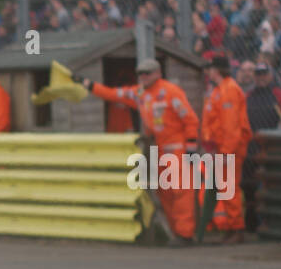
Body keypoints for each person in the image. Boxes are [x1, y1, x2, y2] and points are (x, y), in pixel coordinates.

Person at [82, 58, 199, 242]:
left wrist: (191, 148)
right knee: (164, 192)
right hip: (160, 150)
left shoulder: (171, 92)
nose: (143, 76)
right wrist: (88, 85)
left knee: (181, 192)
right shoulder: (139, 93)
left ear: (158, 73)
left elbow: (190, 120)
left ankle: (186, 234)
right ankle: (176, 232)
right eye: (140, 73)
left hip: (177, 149)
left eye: (147, 73)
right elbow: (113, 94)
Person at [201, 55, 252, 243]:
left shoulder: (229, 90)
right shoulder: (220, 90)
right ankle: (232, 227)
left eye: (211, 68)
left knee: (229, 188)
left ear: (217, 70)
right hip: (221, 148)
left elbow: (231, 127)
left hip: (228, 149)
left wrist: (226, 152)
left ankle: (237, 228)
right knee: (226, 188)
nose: (209, 72)